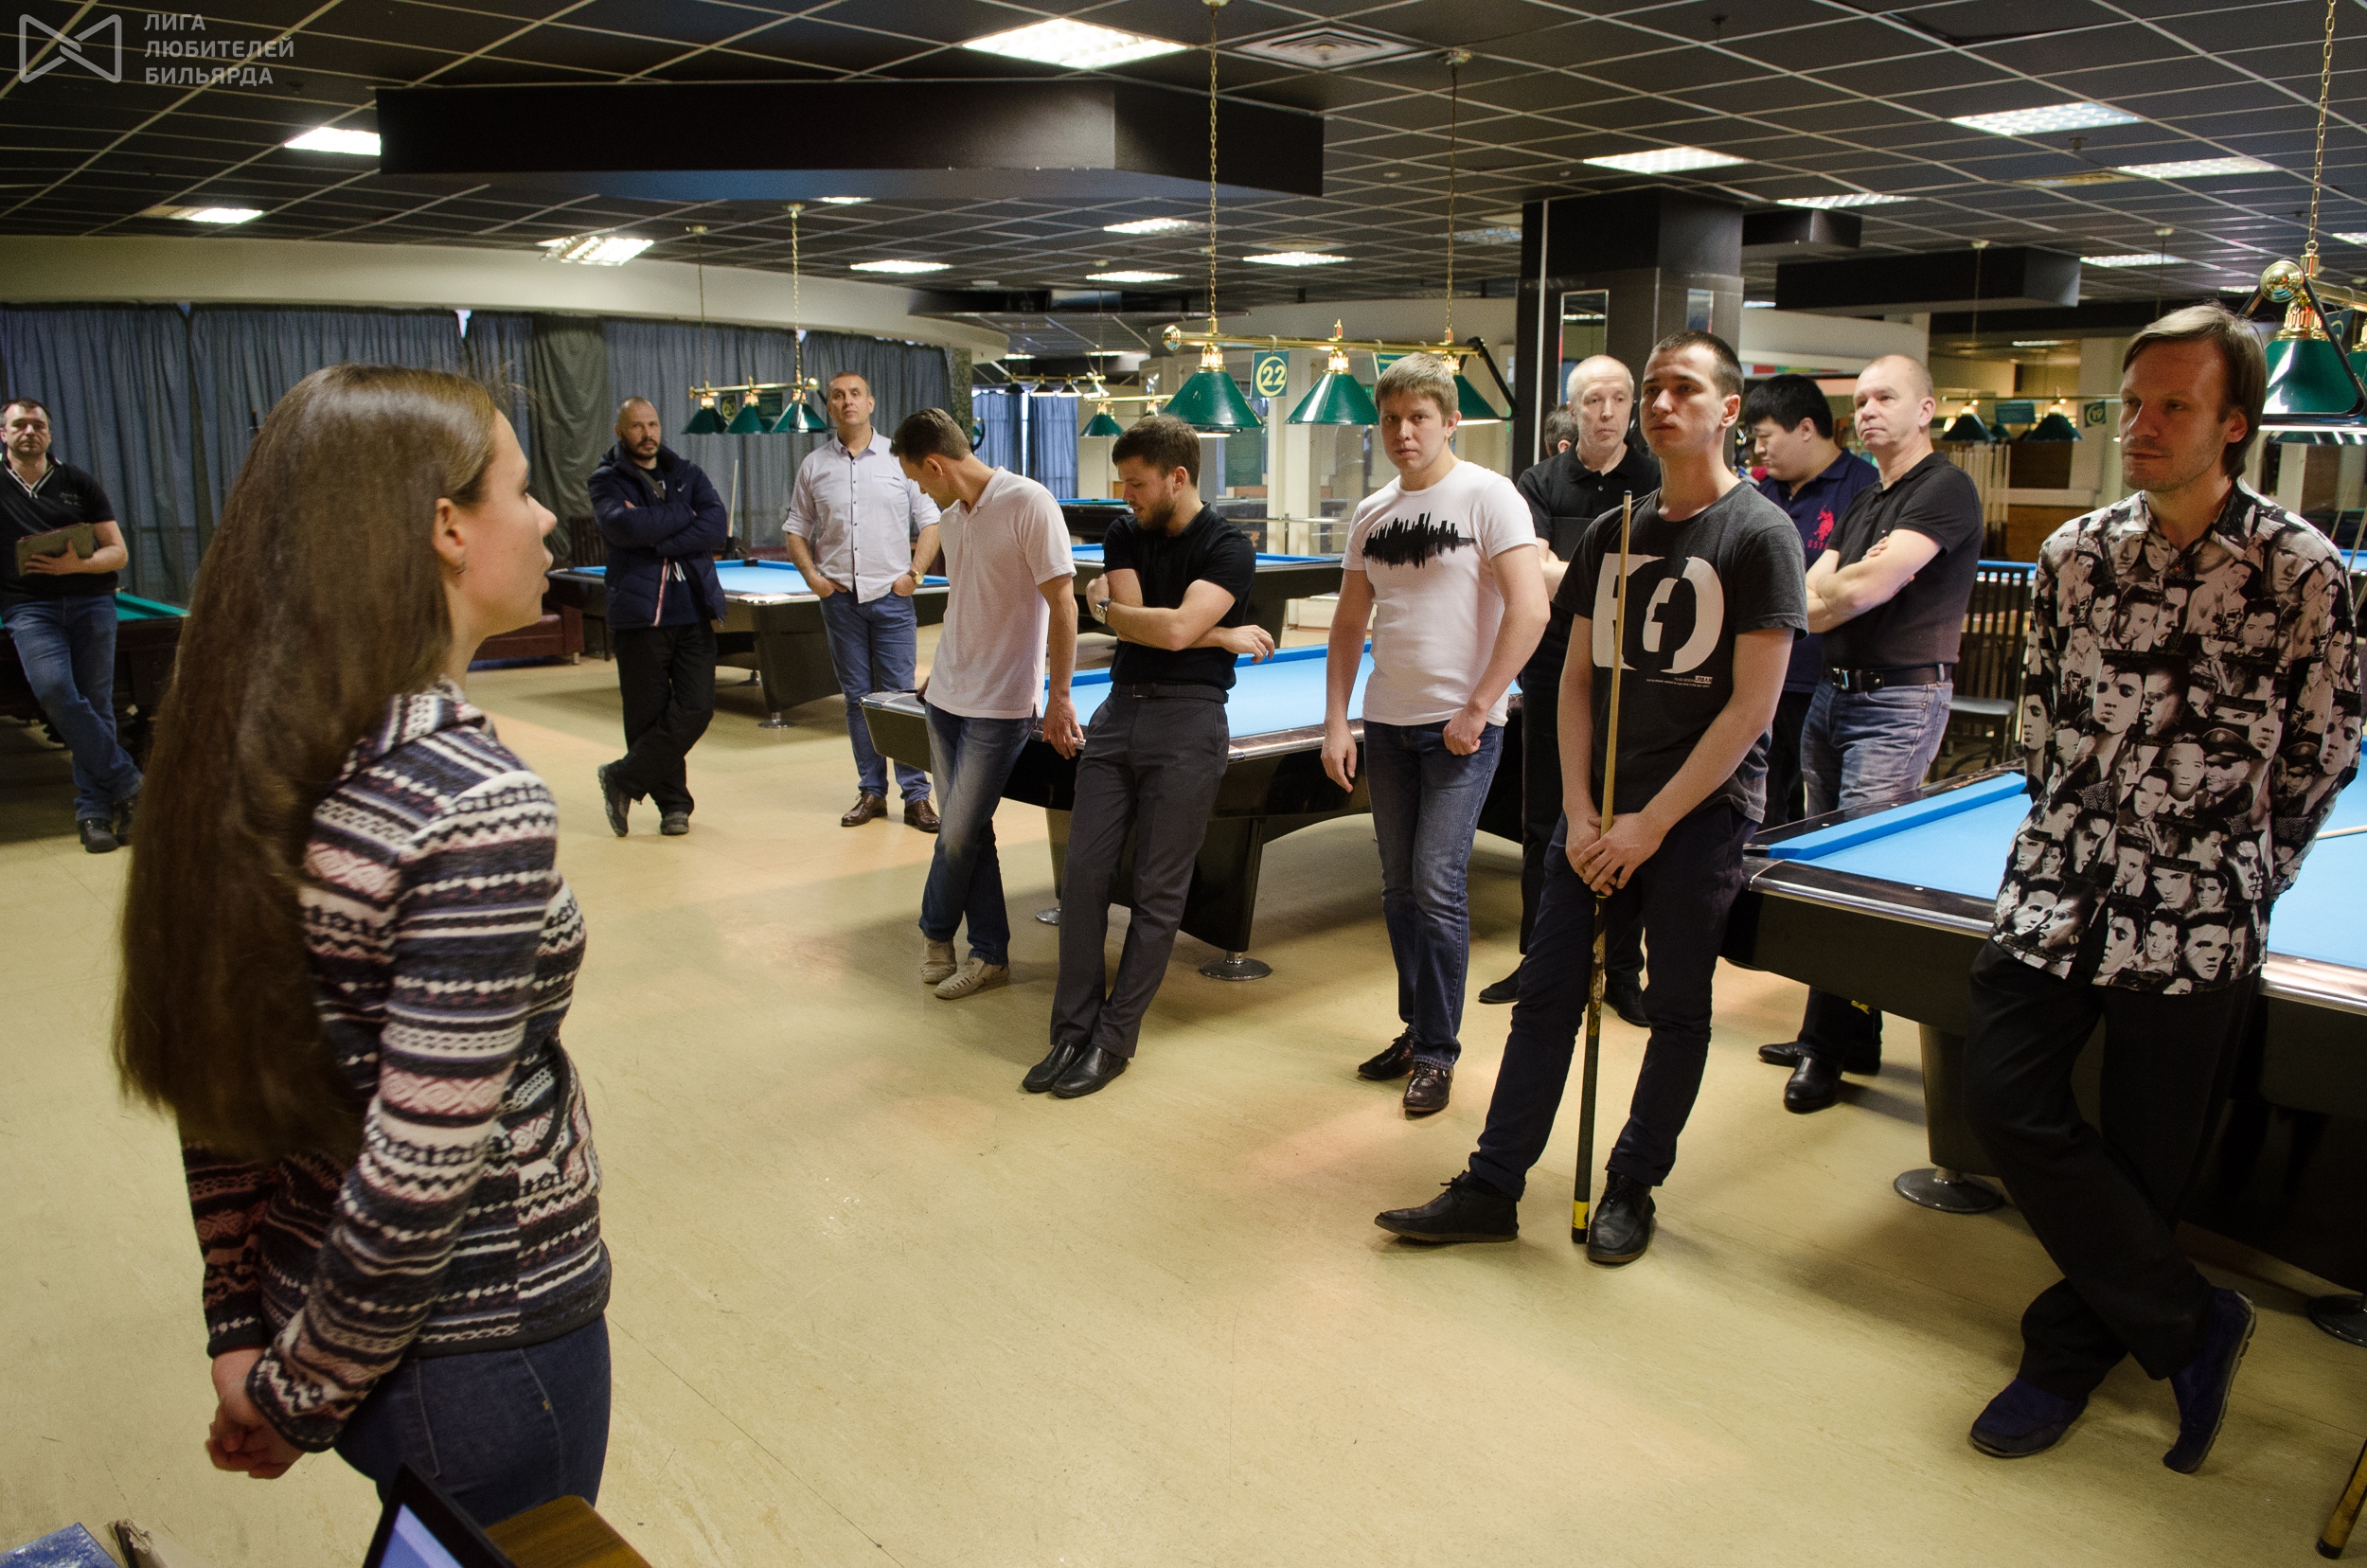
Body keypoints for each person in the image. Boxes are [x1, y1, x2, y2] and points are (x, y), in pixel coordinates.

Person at [115, 365, 611, 1522]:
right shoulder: (470, 797)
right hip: (483, 1351)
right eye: (521, 489)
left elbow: (219, 1082)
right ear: (447, 527)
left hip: (313, 1309)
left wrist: (246, 1332)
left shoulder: (250, 753)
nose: (546, 518)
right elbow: (419, 1176)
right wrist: (298, 1398)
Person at [1962, 303, 2359, 1471]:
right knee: (2002, 1097)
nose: (2137, 425)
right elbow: (2040, 715)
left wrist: (2249, 874)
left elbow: (2323, 748)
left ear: (2232, 424)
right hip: (2056, 883)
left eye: (2171, 407)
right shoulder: (2072, 555)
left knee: (2148, 1154)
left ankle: (2062, 1355)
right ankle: (2191, 1320)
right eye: (2130, 403)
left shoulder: (2302, 569)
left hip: (2197, 910)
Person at [1374, 329, 1804, 1262]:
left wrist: (1651, 823)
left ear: (1729, 410)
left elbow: (1752, 707)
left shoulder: (1760, 534)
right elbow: (1571, 679)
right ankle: (1492, 1184)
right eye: (1652, 388)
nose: (1660, 403)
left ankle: (1632, 1186)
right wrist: (1577, 808)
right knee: (1546, 995)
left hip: (1696, 817)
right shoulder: (1616, 531)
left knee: (1677, 1011)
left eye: (1683, 388)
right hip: (1595, 812)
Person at [1759, 355, 1984, 1114]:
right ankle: (1845, 1035)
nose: (1867, 412)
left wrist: (1831, 596)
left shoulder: (1944, 489)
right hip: (1833, 694)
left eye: (1885, 397)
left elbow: (1859, 587)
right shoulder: (1867, 499)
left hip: (1898, 703)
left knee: (1855, 883)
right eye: (1859, 401)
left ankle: (1825, 1049)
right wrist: (1831, 596)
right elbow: (1818, 585)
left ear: (1926, 409)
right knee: (1828, 872)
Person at [1028, 416, 1278, 1097]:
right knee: (1083, 876)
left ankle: (1113, 1039)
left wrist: (1111, 613)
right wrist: (1218, 635)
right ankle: (1071, 1031)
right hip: (1119, 713)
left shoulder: (1229, 546)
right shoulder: (1123, 532)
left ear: (1177, 477)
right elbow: (1153, 627)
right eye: (1123, 482)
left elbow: (1165, 632)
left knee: (1157, 891)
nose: (1126, 495)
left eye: (1137, 483)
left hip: (1191, 722)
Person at [1326, 353, 1548, 1114]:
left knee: (1435, 883)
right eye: (1391, 419)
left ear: (1451, 421)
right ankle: (1417, 1029)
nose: (1403, 432)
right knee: (1398, 889)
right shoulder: (1372, 511)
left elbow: (1531, 609)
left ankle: (1438, 1053)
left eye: (1418, 418)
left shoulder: (1490, 496)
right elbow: (1348, 623)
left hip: (1461, 731)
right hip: (1387, 725)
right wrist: (1337, 721)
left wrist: (1480, 707)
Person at [1481, 355, 1659, 1014]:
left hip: (1638, 672)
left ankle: (1622, 971)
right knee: (1543, 819)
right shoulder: (1539, 482)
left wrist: (1570, 571)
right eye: (1592, 401)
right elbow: (1532, 572)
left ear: (1631, 407)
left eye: (1618, 400)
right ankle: (1540, 963)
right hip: (1555, 667)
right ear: (1574, 409)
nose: (1606, 412)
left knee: (1624, 818)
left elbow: (1652, 573)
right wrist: (1622, 575)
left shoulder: (1657, 478)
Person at [894, 407, 1080, 1001]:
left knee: (955, 835)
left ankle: (934, 932)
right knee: (970, 833)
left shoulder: (1030, 503)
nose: (923, 493)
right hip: (945, 698)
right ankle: (989, 954)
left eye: (919, 480)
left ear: (936, 465)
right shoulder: (952, 520)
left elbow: (1065, 605)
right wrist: (938, 671)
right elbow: (965, 604)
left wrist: (1060, 696)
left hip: (1000, 705)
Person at [785, 371, 943, 832]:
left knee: (901, 699)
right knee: (857, 700)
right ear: (830, 407)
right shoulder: (814, 465)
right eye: (838, 396)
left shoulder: (899, 460)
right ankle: (872, 792)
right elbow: (796, 529)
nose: (847, 401)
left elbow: (931, 521)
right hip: (840, 602)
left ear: (870, 403)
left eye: (855, 394)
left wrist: (914, 575)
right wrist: (813, 578)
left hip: (892, 600)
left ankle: (917, 796)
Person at [0, 397, 143, 852]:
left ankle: (94, 813)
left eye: (37, 424)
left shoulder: (78, 482)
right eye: (19, 424)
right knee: (56, 692)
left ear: (48, 432)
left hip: (92, 603)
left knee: (97, 705)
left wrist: (74, 567)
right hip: (30, 609)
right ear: (3, 434)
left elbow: (117, 552)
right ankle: (130, 784)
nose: (29, 431)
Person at [1741, 373, 1879, 828]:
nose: (1758, 450)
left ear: (1805, 428)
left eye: (1765, 437)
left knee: (1821, 807)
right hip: (1763, 675)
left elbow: (1851, 588)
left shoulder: (1863, 488)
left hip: (1824, 680)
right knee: (1760, 803)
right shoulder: (1766, 493)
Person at [589, 397, 729, 837]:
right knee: (646, 715)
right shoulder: (606, 480)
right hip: (640, 615)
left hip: (693, 609)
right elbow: (625, 528)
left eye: (652, 424)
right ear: (620, 431)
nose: (647, 434)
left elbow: (716, 524)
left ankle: (622, 777)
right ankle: (674, 805)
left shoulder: (686, 473)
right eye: (637, 426)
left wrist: (660, 537)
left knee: (697, 707)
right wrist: (684, 515)